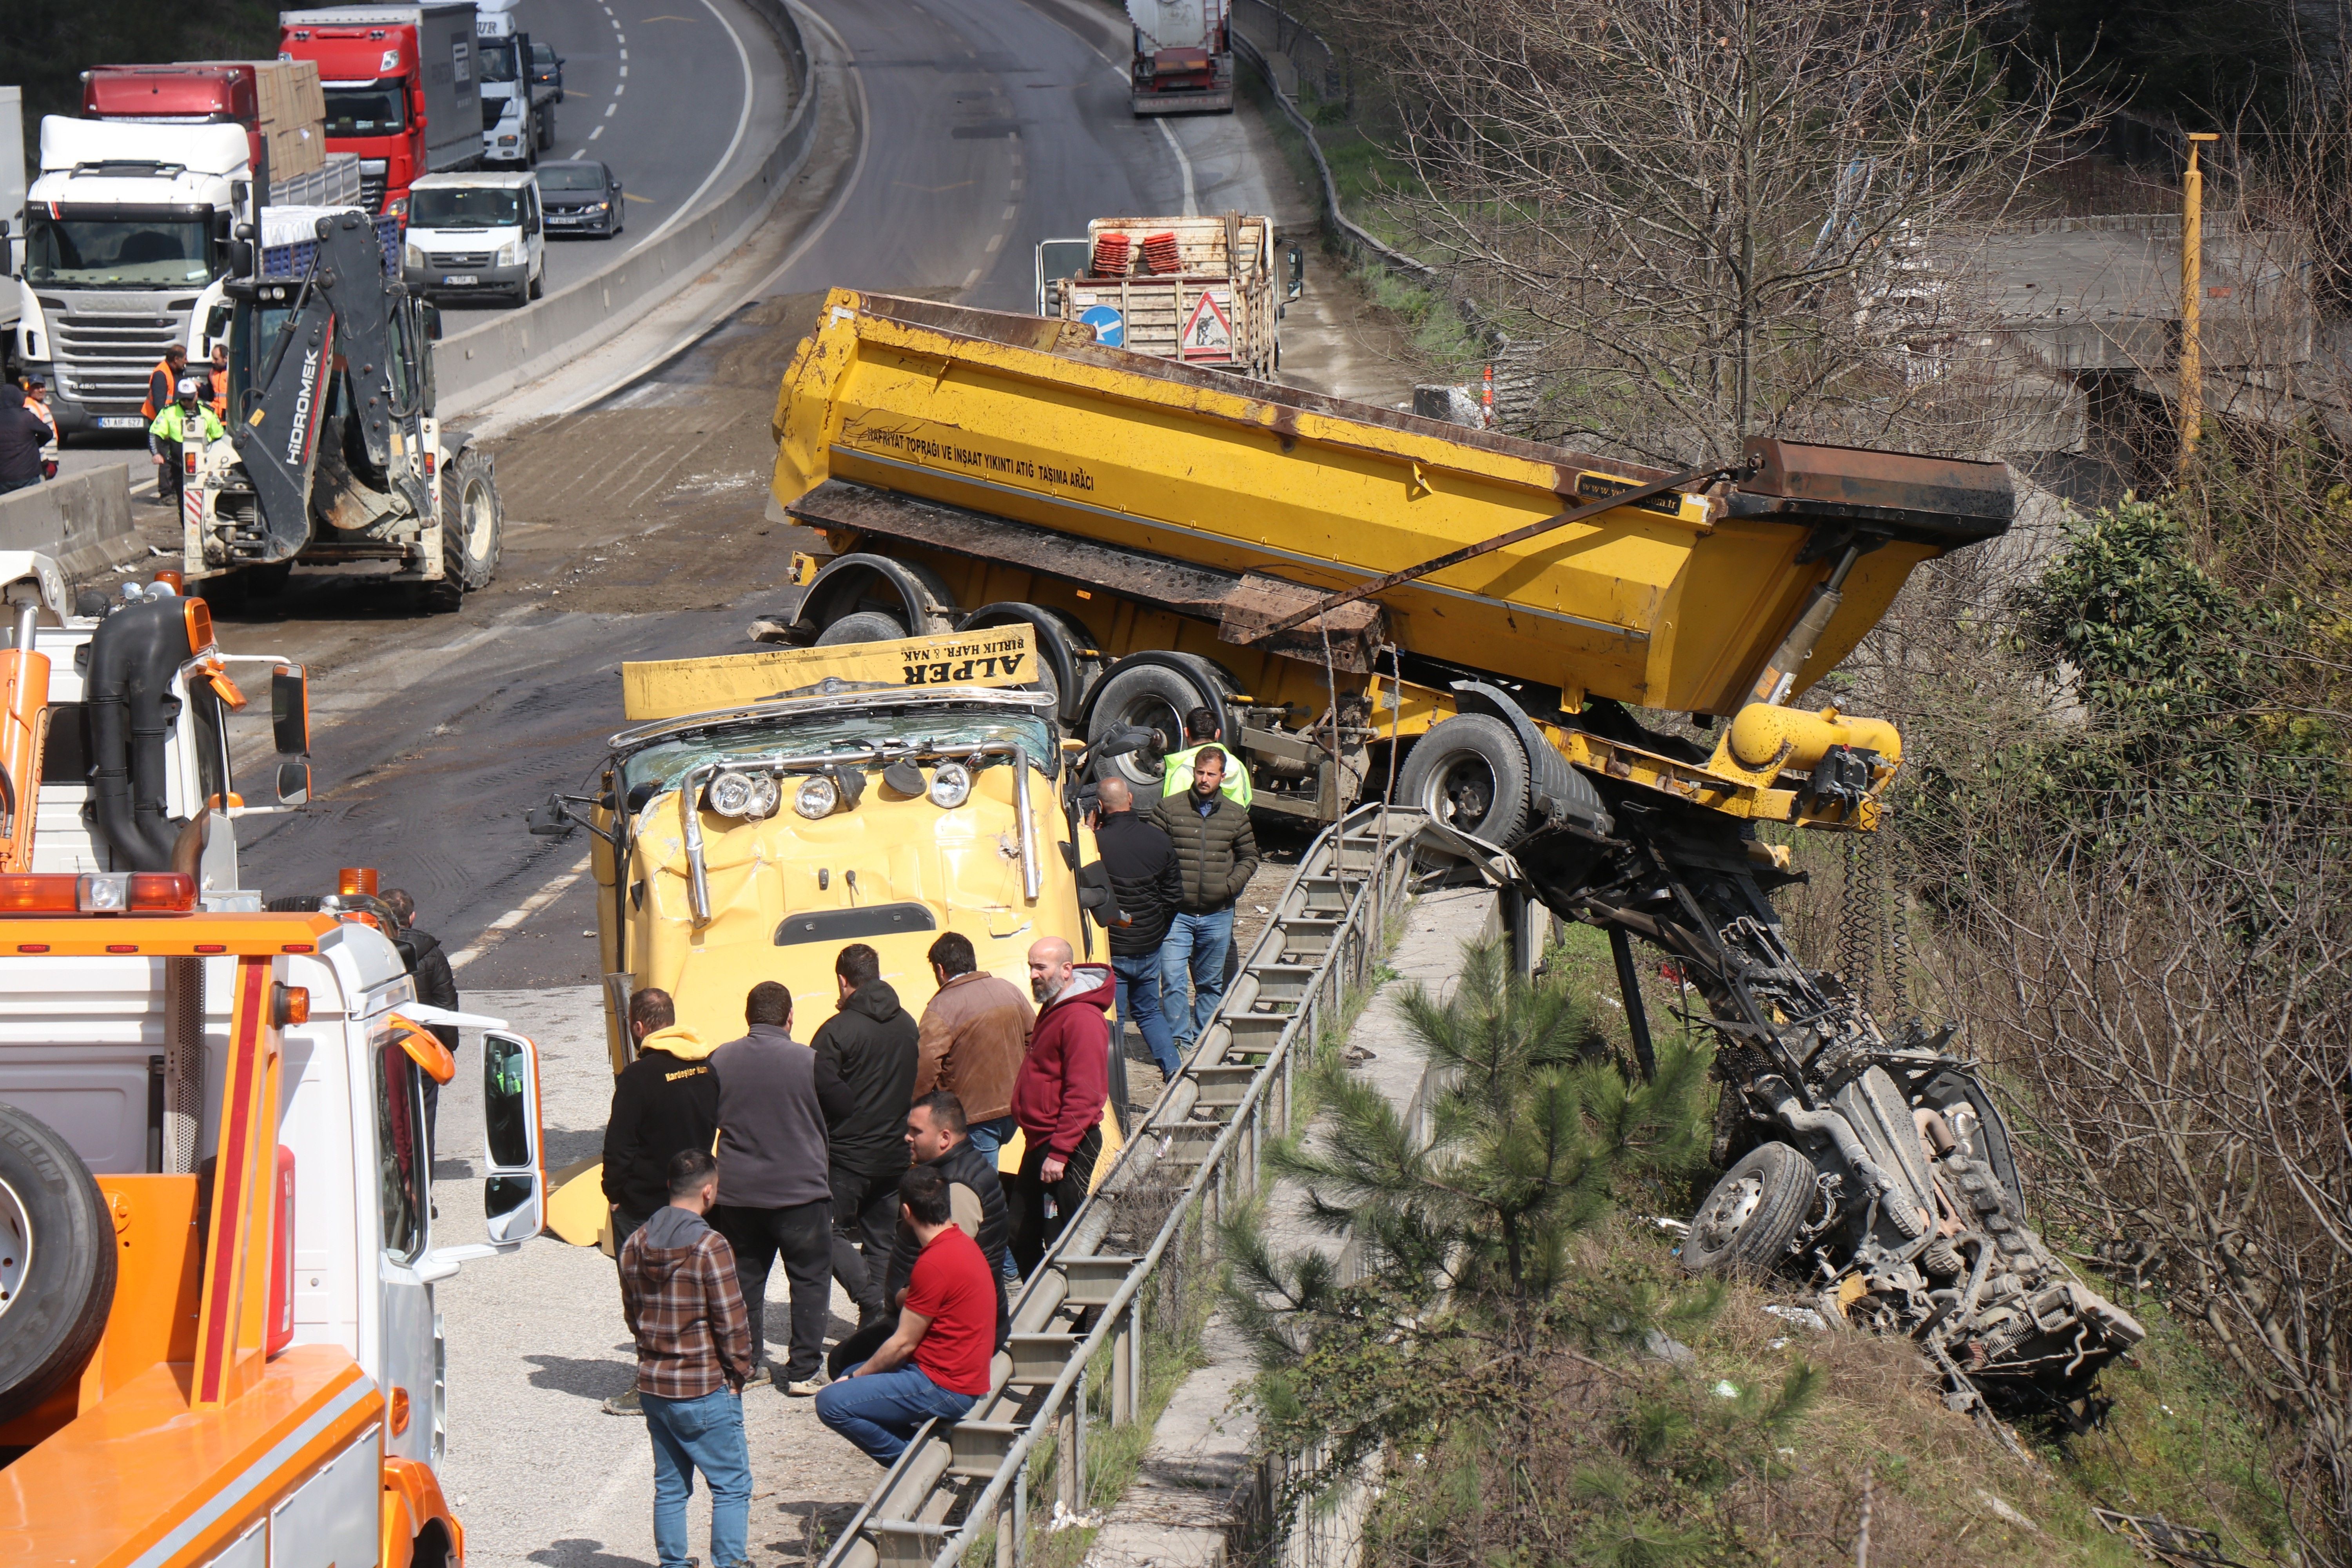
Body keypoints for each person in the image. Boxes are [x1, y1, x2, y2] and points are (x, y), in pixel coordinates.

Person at [708, 981, 848, 1397]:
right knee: (808, 1278)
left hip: (738, 1193)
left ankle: (747, 1364)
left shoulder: (720, 1059)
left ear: (748, 1018)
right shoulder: (809, 1061)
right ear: (790, 1018)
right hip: (800, 1193)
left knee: (746, 1280)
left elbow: (707, 1112)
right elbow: (845, 1107)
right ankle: (805, 1369)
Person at [619, 1148, 753, 1568]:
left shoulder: (635, 1243)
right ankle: (730, 1563)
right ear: (709, 1192)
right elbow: (732, 1322)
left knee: (671, 1485)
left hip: (655, 1385)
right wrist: (739, 1371)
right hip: (702, 1385)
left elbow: (633, 1314)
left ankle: (673, 1564)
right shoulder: (710, 1245)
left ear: (669, 1187)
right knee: (731, 1484)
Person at [814, 1166, 998, 1466]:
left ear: (906, 1211)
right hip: (961, 1376)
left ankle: (918, 1466)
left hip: (944, 1386)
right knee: (852, 1369)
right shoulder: (961, 1244)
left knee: (832, 1402)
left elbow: (903, 1344)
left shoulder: (934, 1262)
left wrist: (853, 1379)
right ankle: (921, 1451)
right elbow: (922, 1299)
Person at [602, 987, 720, 1415]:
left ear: (638, 1027)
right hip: (696, 1202)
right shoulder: (706, 1067)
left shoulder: (637, 1078)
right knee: (697, 1293)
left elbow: (619, 1147)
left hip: (645, 1205)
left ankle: (652, 1382)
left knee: (645, 1298)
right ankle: (706, 1372)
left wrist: (614, 1194)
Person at [811, 942, 920, 1327]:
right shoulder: (907, 1023)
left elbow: (815, 1093)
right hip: (894, 1153)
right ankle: (881, 1317)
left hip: (846, 1156)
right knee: (882, 1239)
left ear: (843, 980)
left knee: (824, 1231)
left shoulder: (836, 1032)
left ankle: (870, 1298)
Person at [1008, 937, 1112, 1276]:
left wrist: (1061, 1151)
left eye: (1041, 967)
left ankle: (1074, 1320)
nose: (1034, 974)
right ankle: (1039, 1312)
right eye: (1031, 966)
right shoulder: (1054, 1006)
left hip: (1065, 1145)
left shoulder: (1081, 1017)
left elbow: (1085, 1093)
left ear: (1067, 970)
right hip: (1042, 1140)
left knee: (1064, 1237)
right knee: (1020, 1231)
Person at [1150, 745, 1260, 1053]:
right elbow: (1152, 853)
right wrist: (1165, 892)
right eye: (1200, 772)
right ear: (1193, 773)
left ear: (1222, 777)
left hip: (1217, 913)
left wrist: (1230, 886)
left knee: (1210, 984)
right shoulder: (1168, 809)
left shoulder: (1236, 815)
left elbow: (1250, 856)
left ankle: (1203, 1043)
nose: (1204, 779)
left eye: (1211, 774)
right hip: (1176, 915)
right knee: (1172, 980)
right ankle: (1179, 1043)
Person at [1091, 777, 1185, 1082]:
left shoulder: (1096, 846)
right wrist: (1157, 931)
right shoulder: (1158, 840)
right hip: (1149, 946)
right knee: (1148, 1011)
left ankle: (1113, 1089)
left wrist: (1086, 834)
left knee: (1114, 1021)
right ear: (1130, 799)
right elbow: (1174, 896)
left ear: (1101, 807)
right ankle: (1173, 1068)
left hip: (1114, 949)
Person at [914, 931, 1032, 1164]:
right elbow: (1034, 1039)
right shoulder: (1009, 990)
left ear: (940, 969)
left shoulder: (942, 1008)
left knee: (979, 1188)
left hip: (974, 1116)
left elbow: (925, 1067)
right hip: (1017, 1107)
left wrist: (915, 1108)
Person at [382, 889, 461, 1140]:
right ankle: (422, 1176)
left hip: (382, 1052)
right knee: (423, 1123)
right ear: (412, 917)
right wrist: (447, 1047)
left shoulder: (372, 953)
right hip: (422, 1050)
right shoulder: (432, 955)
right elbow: (446, 1007)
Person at [148, 377, 226, 510]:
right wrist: (156, 454)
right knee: (183, 504)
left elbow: (219, 437)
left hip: (204, 465)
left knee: (206, 503)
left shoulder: (207, 413)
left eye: (190, 399)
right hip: (178, 465)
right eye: (183, 399)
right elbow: (155, 433)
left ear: (196, 395)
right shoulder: (169, 412)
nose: (186, 403)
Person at [1162, 706, 1252, 807]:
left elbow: (1171, 810)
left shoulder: (1184, 769)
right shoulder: (1238, 766)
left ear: (1186, 732)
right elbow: (1247, 803)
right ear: (1217, 734)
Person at [0, 387, 48, 497]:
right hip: (28, 475)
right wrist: (35, 444)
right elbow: (48, 433)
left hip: (3, 478)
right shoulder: (27, 417)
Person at [142, 343, 187, 424]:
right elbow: (159, 405)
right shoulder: (161, 375)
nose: (186, 361)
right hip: (158, 420)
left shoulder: (176, 371)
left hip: (170, 418)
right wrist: (165, 424)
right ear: (176, 359)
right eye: (185, 359)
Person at [207, 343, 231, 421]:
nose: (213, 362)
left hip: (230, 417)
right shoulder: (212, 373)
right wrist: (200, 388)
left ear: (226, 358)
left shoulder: (234, 373)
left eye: (216, 359)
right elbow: (210, 394)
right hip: (215, 417)